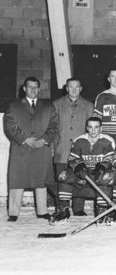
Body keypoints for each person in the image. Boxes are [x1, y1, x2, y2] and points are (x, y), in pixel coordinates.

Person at [4, 76, 58, 222]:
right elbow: (10, 127)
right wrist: (24, 139)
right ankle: (14, 213)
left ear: (39, 89)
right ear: (24, 89)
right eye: (30, 87)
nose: (33, 90)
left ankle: (42, 211)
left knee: (41, 181)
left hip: (41, 149)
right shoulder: (14, 106)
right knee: (17, 180)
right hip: (21, 149)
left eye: (36, 87)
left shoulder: (48, 106)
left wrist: (44, 140)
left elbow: (54, 126)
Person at [50, 117, 116, 224]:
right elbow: (72, 158)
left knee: (106, 176)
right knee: (64, 175)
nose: (93, 130)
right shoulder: (79, 140)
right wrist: (78, 165)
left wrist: (103, 166)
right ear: (86, 128)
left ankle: (102, 209)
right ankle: (63, 210)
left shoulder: (108, 140)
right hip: (84, 173)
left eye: (96, 127)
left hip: (100, 173)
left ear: (101, 128)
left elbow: (110, 159)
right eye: (90, 127)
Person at [53, 77, 94, 216]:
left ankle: (78, 208)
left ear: (81, 89)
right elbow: (52, 128)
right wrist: (54, 147)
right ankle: (62, 208)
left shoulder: (89, 106)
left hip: (80, 151)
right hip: (62, 148)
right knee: (62, 178)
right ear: (66, 88)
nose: (74, 90)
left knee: (79, 177)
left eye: (77, 87)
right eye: (71, 87)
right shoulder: (56, 105)